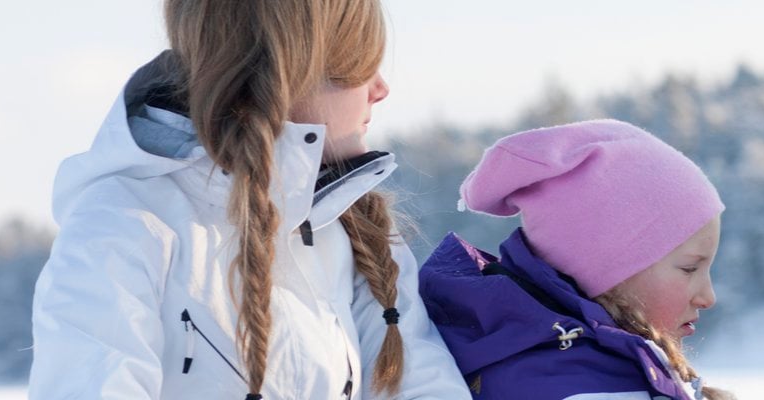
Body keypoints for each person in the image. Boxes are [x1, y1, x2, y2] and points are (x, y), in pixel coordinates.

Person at [29, 0, 468, 398]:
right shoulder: (124, 222)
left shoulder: (358, 230)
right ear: (288, 69)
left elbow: (422, 387)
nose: (381, 88)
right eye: (358, 65)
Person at [420, 120, 733, 399]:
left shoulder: (581, 366)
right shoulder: (577, 385)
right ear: (610, 266)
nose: (708, 297)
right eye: (690, 268)